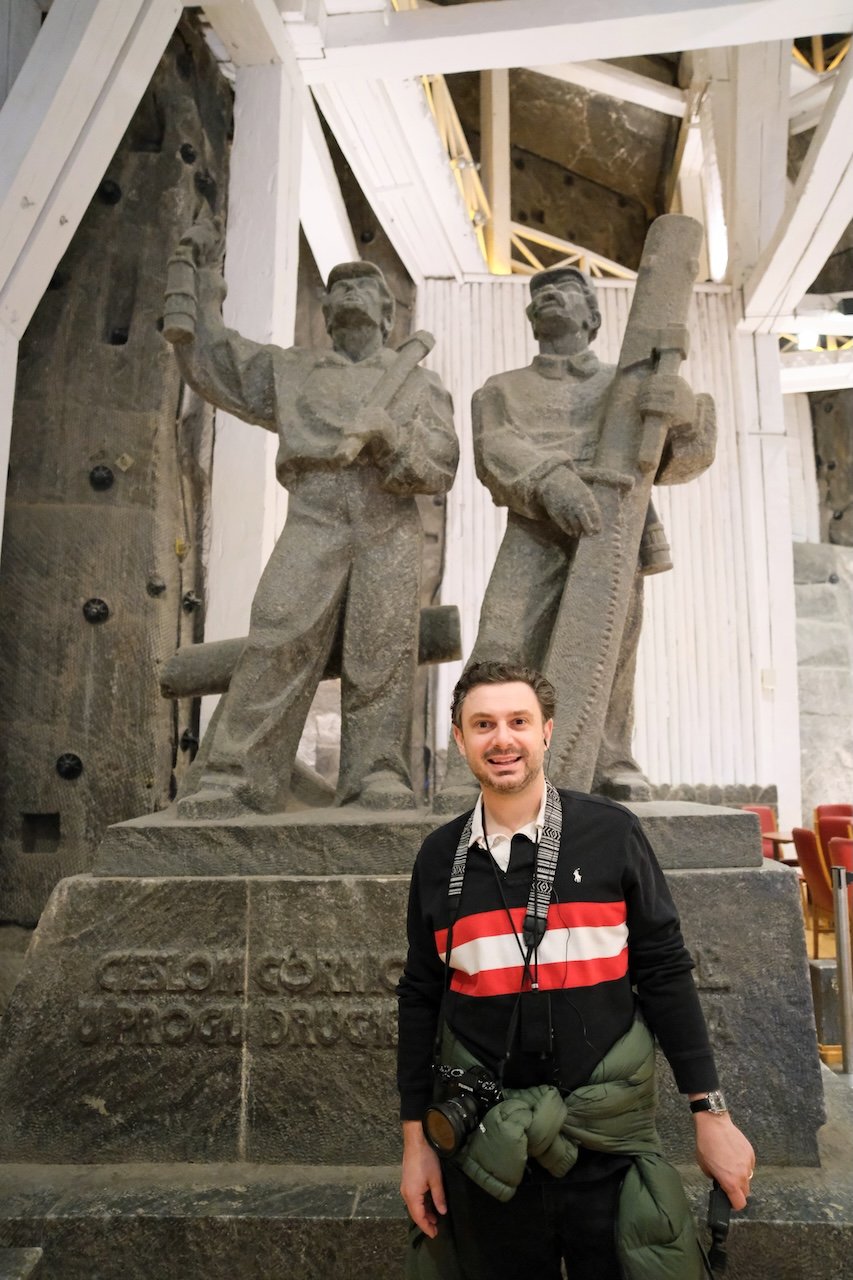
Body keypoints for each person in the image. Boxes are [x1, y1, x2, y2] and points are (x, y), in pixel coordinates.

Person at [398, 661, 754, 1278]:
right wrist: (414, 1146)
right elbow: (420, 998)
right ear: (459, 739)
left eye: (518, 721)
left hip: (605, 1144)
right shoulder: (437, 859)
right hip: (489, 1147)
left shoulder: (610, 833)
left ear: (546, 732)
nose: (501, 739)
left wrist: (712, 1114)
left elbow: (665, 973)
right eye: (482, 725)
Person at [163, 219, 458, 817]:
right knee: (279, 632)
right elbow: (216, 359)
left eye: (363, 284)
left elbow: (440, 466)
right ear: (324, 309)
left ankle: (375, 775)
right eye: (338, 285)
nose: (348, 290)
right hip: (316, 508)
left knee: (383, 645)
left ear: (386, 312)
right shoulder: (293, 371)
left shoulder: (419, 384)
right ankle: (233, 775)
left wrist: (390, 435)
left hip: (386, 516)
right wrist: (199, 278)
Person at [436, 266, 715, 812]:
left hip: (615, 524)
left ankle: (611, 762)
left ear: (593, 316)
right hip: (535, 526)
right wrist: (549, 481)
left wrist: (682, 412)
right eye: (540, 293)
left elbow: (681, 458)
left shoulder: (628, 383)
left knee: (612, 647)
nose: (550, 297)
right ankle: (471, 766)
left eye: (565, 291)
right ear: (529, 317)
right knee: (502, 641)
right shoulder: (501, 389)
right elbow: (495, 452)